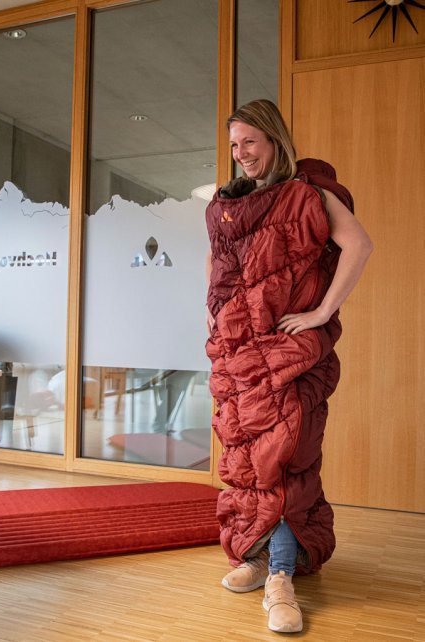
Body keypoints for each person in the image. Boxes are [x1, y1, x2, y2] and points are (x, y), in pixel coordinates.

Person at [204, 99, 372, 634]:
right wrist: (219, 328)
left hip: (286, 354)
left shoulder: (309, 194)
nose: (241, 154)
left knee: (286, 459)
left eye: (249, 142)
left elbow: (358, 246)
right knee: (247, 461)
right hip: (237, 353)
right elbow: (219, 274)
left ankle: (280, 577)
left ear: (274, 139)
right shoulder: (231, 204)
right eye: (234, 145)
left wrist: (322, 312)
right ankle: (258, 558)